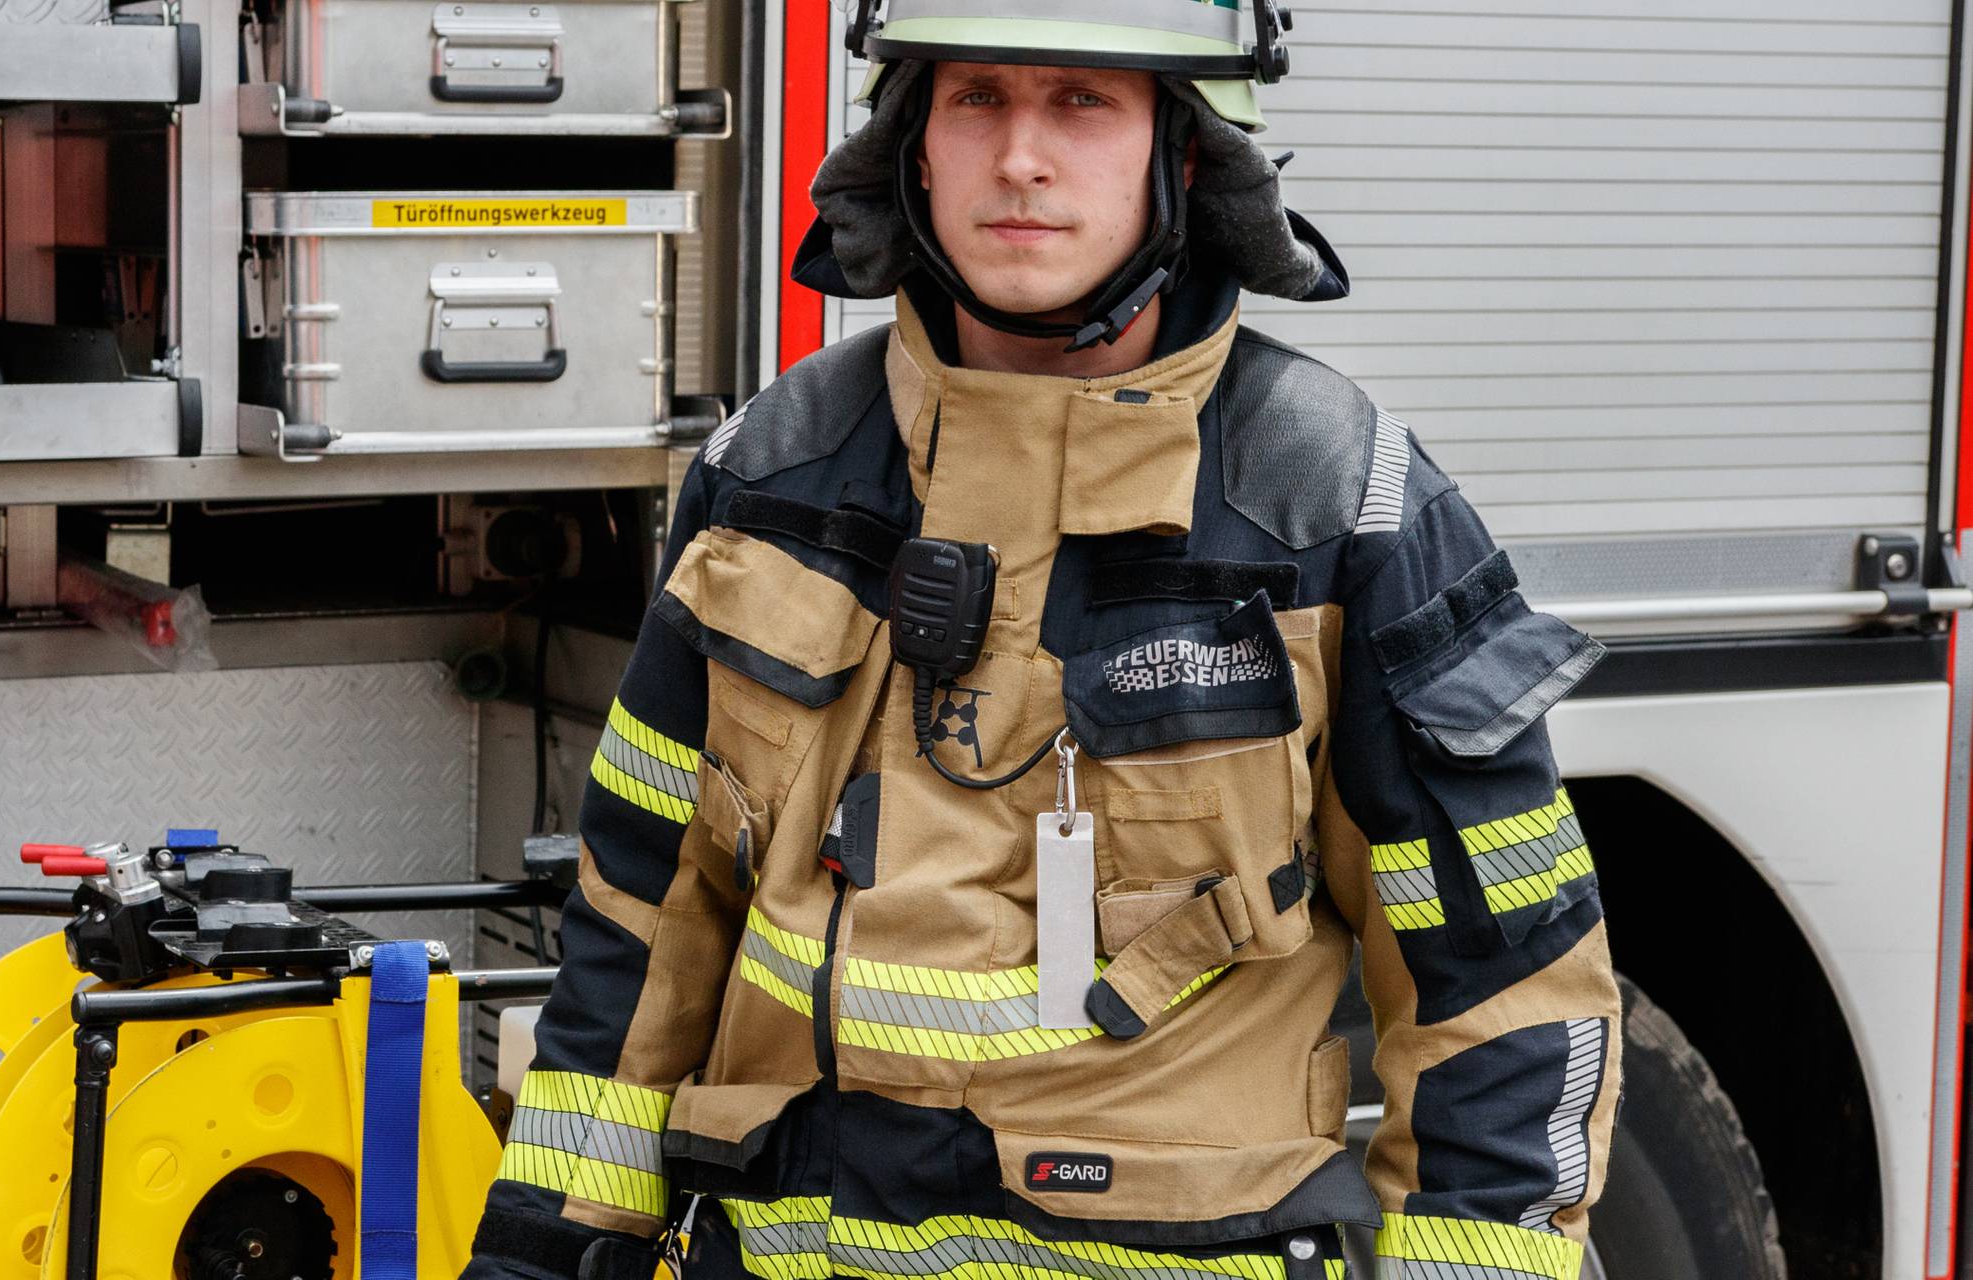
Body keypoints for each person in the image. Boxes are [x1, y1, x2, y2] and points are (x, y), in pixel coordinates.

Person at [462, 1, 1622, 1277]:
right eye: (978, 99)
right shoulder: (773, 472)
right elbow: (641, 920)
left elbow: (1499, 990)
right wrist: (543, 1252)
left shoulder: (1338, 505)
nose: (1021, 155)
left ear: (1182, 154)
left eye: (1082, 101)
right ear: (913, 145)